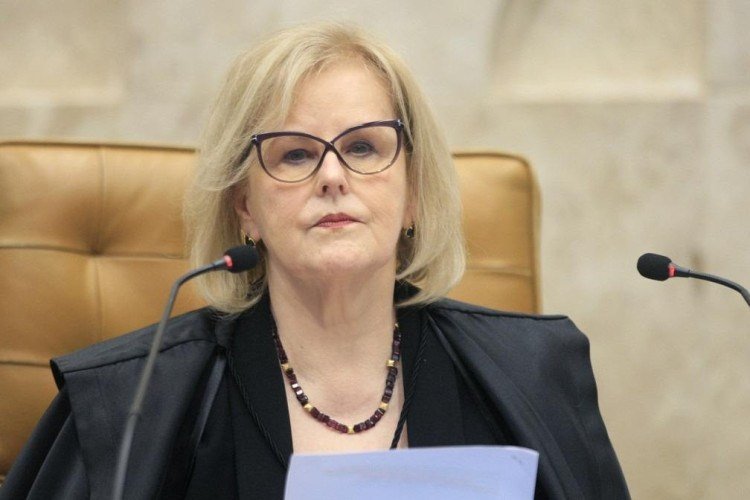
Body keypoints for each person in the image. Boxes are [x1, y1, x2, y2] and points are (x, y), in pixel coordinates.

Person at [1, 22, 629, 499]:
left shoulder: (535, 374)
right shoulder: (129, 403)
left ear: (413, 194)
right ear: (245, 206)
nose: (333, 176)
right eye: (295, 154)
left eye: (363, 146)